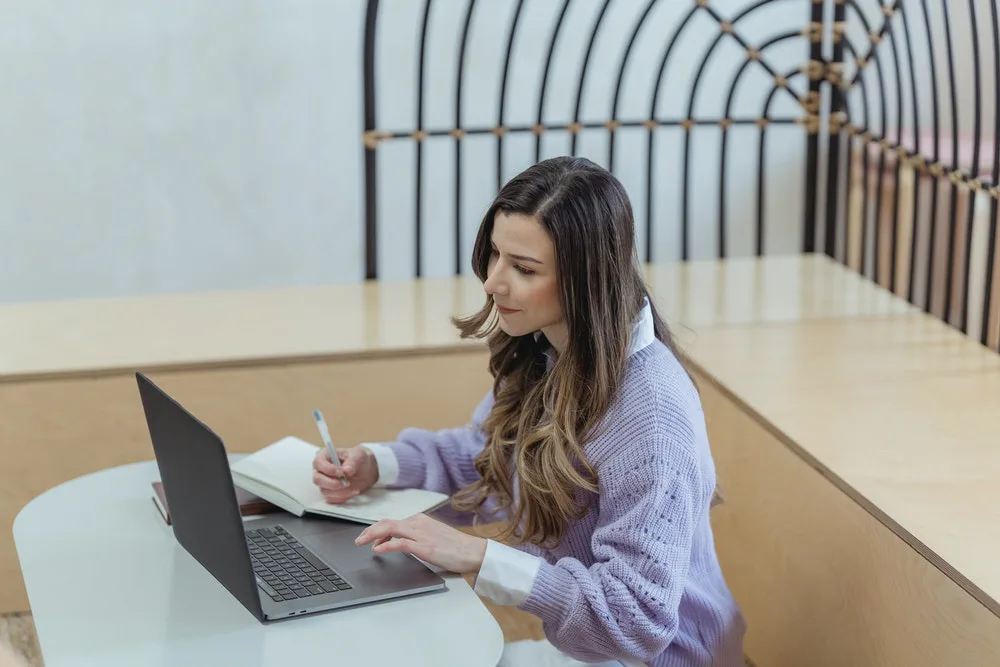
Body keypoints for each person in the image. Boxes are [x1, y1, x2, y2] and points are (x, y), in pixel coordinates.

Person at [312, 156, 746, 666]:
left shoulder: (652, 419)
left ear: (586, 279)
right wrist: (378, 465)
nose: (494, 283)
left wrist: (479, 557)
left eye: (523, 268)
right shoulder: (549, 351)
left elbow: (635, 620)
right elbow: (492, 459)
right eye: (495, 255)